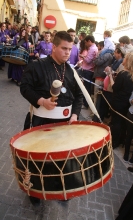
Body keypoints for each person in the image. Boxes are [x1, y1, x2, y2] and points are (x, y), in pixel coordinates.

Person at [20, 31, 83, 205]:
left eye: (70, 49)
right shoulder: (37, 66)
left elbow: (79, 96)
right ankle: (35, 191)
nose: (67, 53)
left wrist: (75, 114)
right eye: (64, 48)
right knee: (38, 160)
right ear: (54, 47)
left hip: (65, 124)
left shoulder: (71, 71)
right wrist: (41, 101)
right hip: (41, 122)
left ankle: (61, 189)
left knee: (62, 160)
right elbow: (24, 87)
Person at [109, 53, 133, 149]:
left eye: (125, 58)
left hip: (118, 101)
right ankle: (121, 140)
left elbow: (115, 87)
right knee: (122, 122)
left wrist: (110, 76)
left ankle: (114, 142)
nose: (123, 59)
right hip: (127, 102)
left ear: (128, 61)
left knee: (116, 122)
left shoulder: (123, 74)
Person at [79, 35, 98, 109]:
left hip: (88, 70)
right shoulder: (94, 48)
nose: (85, 44)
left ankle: (86, 103)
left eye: (86, 42)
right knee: (86, 87)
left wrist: (83, 57)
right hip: (89, 70)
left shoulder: (92, 49)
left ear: (89, 41)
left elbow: (88, 60)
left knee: (86, 88)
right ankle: (85, 102)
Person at [93, 41, 113, 105]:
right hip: (101, 76)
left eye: (98, 46)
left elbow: (97, 62)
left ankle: (95, 112)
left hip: (100, 77)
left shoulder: (106, 54)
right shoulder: (108, 54)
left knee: (97, 94)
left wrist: (97, 55)